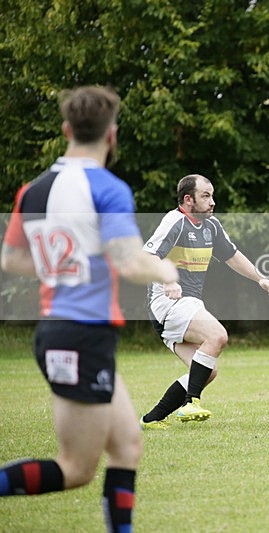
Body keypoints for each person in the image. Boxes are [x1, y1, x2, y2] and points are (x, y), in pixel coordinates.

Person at [0, 85, 179, 532]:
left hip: (70, 332)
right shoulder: (108, 187)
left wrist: (66, 265)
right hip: (79, 335)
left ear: (66, 130)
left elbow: (11, 259)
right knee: (77, 468)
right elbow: (127, 260)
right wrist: (166, 273)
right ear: (112, 135)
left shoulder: (34, 189)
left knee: (127, 446)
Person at [139, 174, 269, 428]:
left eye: (212, 195)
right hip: (167, 303)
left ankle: (151, 419)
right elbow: (148, 256)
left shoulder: (211, 226)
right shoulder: (175, 221)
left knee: (206, 372)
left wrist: (259, 278)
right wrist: (168, 280)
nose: (212, 202)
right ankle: (191, 402)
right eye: (206, 196)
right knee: (218, 335)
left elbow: (232, 256)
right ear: (188, 199)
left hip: (188, 305)